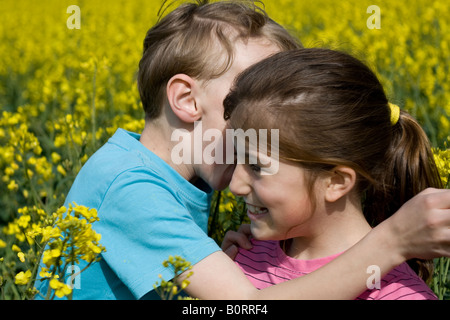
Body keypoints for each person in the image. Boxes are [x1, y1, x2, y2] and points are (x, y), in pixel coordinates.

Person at [35, 0, 450, 300]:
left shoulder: (145, 171)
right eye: (241, 98)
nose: (254, 115)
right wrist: (391, 241)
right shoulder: (131, 188)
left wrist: (217, 263)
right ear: (186, 99)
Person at [222, 48, 444, 299]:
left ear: (336, 182)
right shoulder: (245, 255)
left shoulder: (395, 295)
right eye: (236, 159)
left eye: (256, 167)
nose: (234, 185)